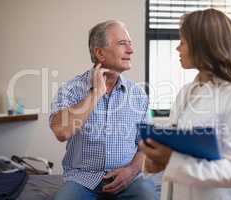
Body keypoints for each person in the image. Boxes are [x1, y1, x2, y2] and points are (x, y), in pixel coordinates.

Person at [139, 8, 231, 200]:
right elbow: (177, 146)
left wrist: (171, 161)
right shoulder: (186, 92)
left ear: (203, 46)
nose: (178, 48)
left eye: (183, 42)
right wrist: (155, 160)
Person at [49, 20, 155, 200]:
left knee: (148, 195)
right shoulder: (71, 89)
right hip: (82, 180)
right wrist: (97, 92)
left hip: (127, 180)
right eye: (122, 44)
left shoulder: (138, 95)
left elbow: (146, 145)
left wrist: (131, 171)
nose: (131, 50)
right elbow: (61, 131)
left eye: (130, 44)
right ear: (100, 52)